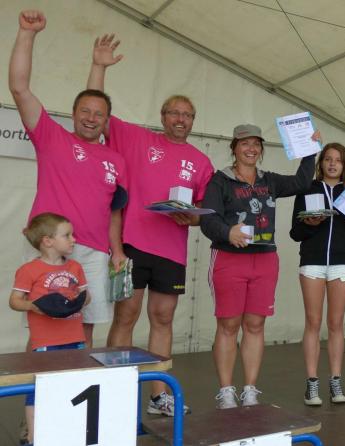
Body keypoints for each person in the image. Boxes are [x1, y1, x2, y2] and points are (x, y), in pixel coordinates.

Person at [87, 34, 214, 416]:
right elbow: (97, 109)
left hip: (171, 253)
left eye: (187, 115)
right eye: (174, 113)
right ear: (163, 116)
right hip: (132, 246)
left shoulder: (201, 161)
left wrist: (190, 216)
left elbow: (202, 212)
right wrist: (99, 67)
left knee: (162, 319)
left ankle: (160, 396)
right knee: (126, 316)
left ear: (193, 121)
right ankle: (114, 392)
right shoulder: (136, 139)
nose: (181, 119)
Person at [9, 11, 127, 348]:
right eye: (84, 112)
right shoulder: (52, 138)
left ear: (106, 121)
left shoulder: (116, 159)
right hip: (49, 247)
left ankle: (78, 379)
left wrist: (117, 251)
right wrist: (27, 33)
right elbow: (19, 88)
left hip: (94, 252)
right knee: (44, 324)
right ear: (73, 114)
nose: (91, 118)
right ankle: (40, 381)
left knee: (84, 328)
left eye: (99, 115)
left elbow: (114, 212)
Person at [200, 124, 316, 409]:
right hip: (229, 258)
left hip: (264, 260)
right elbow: (207, 219)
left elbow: (302, 182)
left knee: (255, 324)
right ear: (234, 148)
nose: (250, 149)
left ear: (261, 149)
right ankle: (226, 391)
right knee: (228, 325)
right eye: (244, 143)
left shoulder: (269, 180)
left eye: (255, 144)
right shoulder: (220, 181)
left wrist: (309, 150)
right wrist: (227, 232)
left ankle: (250, 389)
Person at [290, 143, 345, 406]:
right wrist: (311, 224)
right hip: (312, 262)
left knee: (336, 323)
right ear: (321, 163)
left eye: (338, 160)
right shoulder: (307, 188)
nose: (333, 164)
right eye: (328, 159)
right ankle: (312, 383)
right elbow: (295, 233)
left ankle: (335, 380)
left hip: (341, 264)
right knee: (313, 322)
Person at [10, 213, 91, 446]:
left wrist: (74, 301)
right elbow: (14, 300)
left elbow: (86, 297)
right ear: (48, 241)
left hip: (75, 338)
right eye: (67, 235)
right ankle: (33, 437)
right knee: (39, 389)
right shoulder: (29, 270)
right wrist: (36, 306)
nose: (74, 239)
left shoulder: (75, 267)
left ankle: (66, 433)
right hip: (45, 342)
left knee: (72, 388)